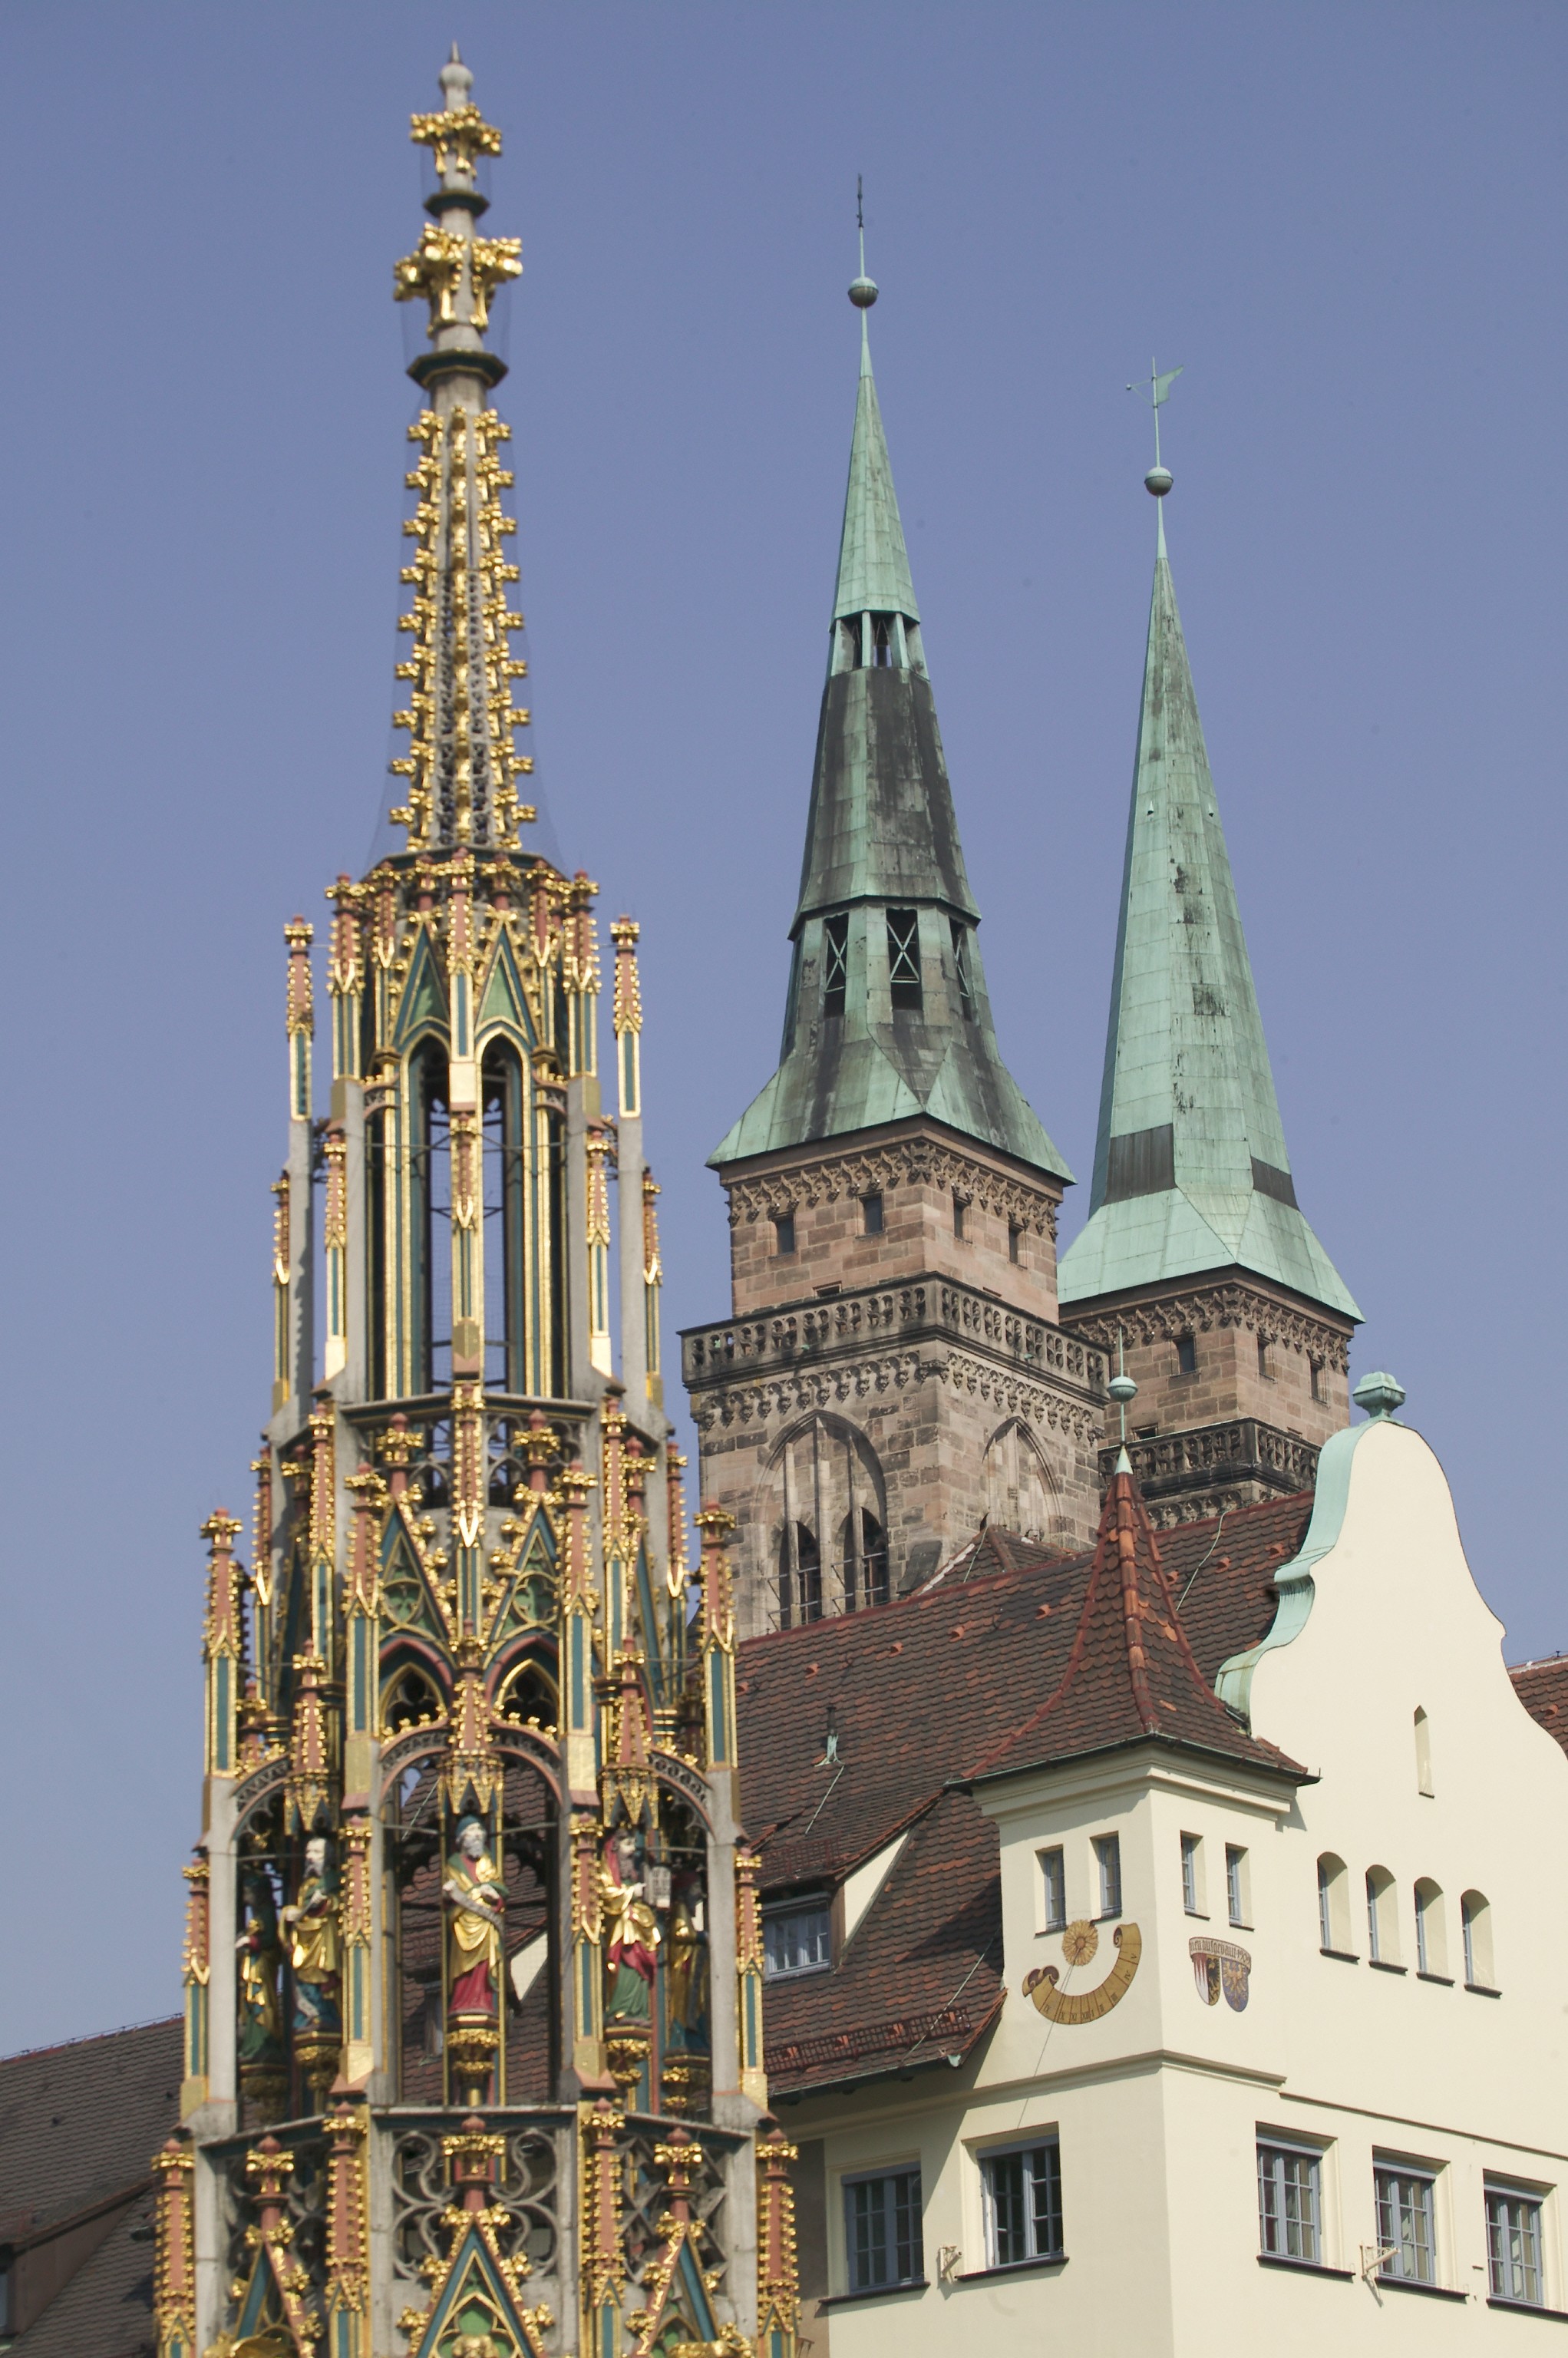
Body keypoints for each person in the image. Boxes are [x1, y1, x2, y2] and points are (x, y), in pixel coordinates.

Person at [444, 1816, 506, 2014]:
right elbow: (447, 1898)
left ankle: (483, 2002)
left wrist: (494, 1896)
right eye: (472, 1831)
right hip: (463, 1923)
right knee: (463, 1968)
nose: (478, 1835)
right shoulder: (453, 1864)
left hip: (485, 1922)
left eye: (480, 1830)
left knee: (484, 1966)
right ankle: (462, 2003)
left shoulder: (487, 1860)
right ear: (462, 1838)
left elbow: (499, 1888)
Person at [282, 1836, 341, 2033]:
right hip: (304, 1938)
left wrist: (325, 1902)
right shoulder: (307, 1885)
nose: (310, 1857)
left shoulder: (333, 1879)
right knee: (303, 1976)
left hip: (323, 1936)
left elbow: (341, 1902)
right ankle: (308, 2014)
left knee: (322, 1975)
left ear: (328, 1857)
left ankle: (324, 2014)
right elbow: (302, 1910)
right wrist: (291, 1913)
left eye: (316, 1853)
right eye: (308, 1852)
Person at [601, 1830, 659, 2023]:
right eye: (628, 1844)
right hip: (620, 1929)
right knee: (626, 1967)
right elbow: (608, 1895)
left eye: (634, 1844)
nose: (633, 1850)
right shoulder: (607, 1870)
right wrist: (631, 1893)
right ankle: (620, 2010)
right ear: (614, 1848)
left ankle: (637, 2011)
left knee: (639, 1970)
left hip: (637, 1926)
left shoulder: (632, 1875)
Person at [236, 1868, 284, 2063]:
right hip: (253, 1967)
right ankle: (252, 2042)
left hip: (262, 1967)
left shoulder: (267, 1914)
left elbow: (270, 1939)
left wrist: (249, 1941)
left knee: (262, 2002)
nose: (245, 1898)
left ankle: (263, 2039)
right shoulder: (257, 1915)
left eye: (248, 1893)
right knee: (251, 2004)